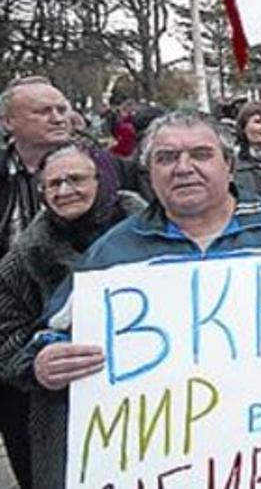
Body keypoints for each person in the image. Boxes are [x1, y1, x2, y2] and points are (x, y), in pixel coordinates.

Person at [26, 113, 261, 476]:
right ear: (149, 173)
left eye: (200, 154)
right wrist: (45, 360)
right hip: (168, 461)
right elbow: (51, 333)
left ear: (228, 165)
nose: (183, 168)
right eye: (166, 158)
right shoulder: (113, 252)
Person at [0, 143, 145, 489]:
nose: (65, 191)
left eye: (76, 179)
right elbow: (4, 336)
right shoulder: (23, 260)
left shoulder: (159, 236)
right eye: (54, 184)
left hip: (160, 412)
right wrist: (35, 363)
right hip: (72, 423)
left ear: (103, 179)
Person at [0, 76, 75, 488]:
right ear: (8, 121)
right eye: (43, 111)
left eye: (61, 108)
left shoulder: (106, 171)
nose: (58, 117)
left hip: (76, 337)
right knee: (27, 452)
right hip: (10, 331)